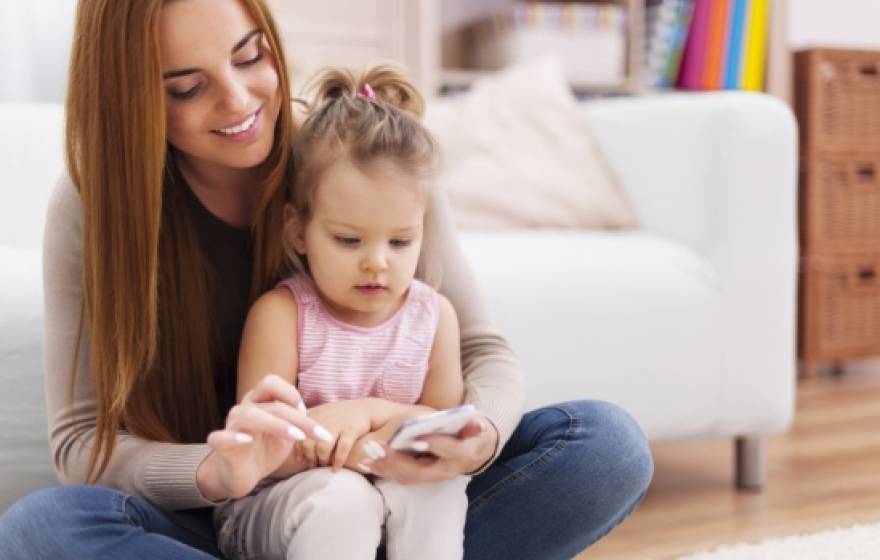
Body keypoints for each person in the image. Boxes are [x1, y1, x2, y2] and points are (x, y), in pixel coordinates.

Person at [0, 1, 653, 559]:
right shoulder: (95, 209)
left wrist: (470, 436)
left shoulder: (363, 155)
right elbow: (83, 444)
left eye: (250, 55)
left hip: (397, 495)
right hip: (229, 514)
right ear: (132, 98)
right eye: (186, 87)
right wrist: (214, 470)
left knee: (607, 449)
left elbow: (484, 353)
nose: (238, 100)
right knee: (42, 530)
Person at [214, 65, 470, 560]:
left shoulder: (434, 317)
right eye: (348, 240)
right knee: (344, 500)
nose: (377, 261)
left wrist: (366, 415)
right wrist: (374, 446)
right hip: (279, 504)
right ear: (298, 232)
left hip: (388, 491)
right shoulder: (282, 315)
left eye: (400, 241)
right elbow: (266, 451)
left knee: (436, 488)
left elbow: (442, 430)